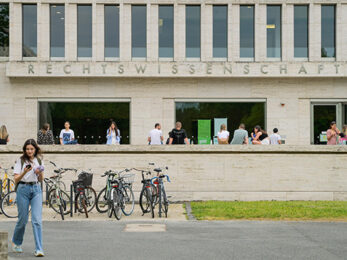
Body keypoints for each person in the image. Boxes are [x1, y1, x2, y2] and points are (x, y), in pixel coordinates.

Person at [12, 139, 44, 257]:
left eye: (31, 149)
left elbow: (41, 180)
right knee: (23, 220)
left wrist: (39, 172)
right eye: (27, 149)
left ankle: (39, 249)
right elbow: (16, 179)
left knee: (37, 220)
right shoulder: (20, 161)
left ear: (35, 149)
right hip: (23, 189)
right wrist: (25, 171)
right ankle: (16, 242)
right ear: (25, 150)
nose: (29, 151)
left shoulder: (39, 160)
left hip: (36, 189)